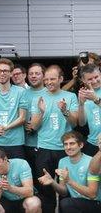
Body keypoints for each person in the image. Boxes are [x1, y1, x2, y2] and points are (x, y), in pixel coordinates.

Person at [28, 65, 78, 213]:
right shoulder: (39, 98)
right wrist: (41, 112)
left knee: (65, 190)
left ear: (61, 79)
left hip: (65, 150)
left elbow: (74, 123)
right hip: (44, 149)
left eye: (52, 79)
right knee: (45, 190)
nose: (49, 82)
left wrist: (64, 110)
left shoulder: (70, 97)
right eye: (46, 79)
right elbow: (34, 127)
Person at [38, 131, 101, 212]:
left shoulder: (91, 162)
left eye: (72, 143)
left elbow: (92, 195)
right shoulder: (62, 161)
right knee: (65, 202)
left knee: (67, 203)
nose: (68, 147)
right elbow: (63, 192)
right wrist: (52, 182)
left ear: (81, 145)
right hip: (76, 202)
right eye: (65, 144)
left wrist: (69, 181)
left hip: (95, 203)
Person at [0, 58, 27, 159]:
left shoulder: (21, 92)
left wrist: (5, 128)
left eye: (6, 71)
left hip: (15, 142)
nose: (2, 73)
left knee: (16, 172)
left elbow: (22, 118)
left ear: (11, 73)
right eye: (0, 71)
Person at [0, 148, 41, 213]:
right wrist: (0, 188)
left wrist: (10, 188)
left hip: (23, 199)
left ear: (5, 159)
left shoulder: (21, 164)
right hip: (6, 200)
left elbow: (30, 192)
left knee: (34, 203)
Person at [22, 63, 46, 177]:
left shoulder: (49, 93)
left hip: (43, 144)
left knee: (43, 178)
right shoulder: (21, 93)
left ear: (43, 75)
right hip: (25, 143)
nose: (33, 76)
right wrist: (23, 124)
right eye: (31, 73)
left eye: (37, 73)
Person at [76, 64, 101, 156]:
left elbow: (96, 99)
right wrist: (81, 104)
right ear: (83, 80)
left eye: (96, 77)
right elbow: (82, 123)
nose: (94, 81)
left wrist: (96, 99)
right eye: (90, 79)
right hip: (92, 142)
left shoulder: (92, 96)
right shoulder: (84, 93)